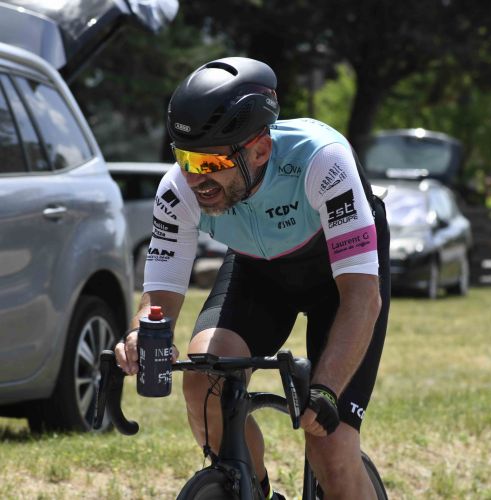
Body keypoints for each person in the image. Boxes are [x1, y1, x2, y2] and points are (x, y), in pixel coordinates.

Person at [115, 56, 390, 499]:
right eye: (185, 159)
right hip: (257, 273)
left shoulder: (323, 161)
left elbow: (362, 298)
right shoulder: (178, 190)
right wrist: (139, 335)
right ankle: (252, 490)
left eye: (210, 163)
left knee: (330, 447)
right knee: (203, 380)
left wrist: (326, 390)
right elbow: (158, 301)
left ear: (260, 150)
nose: (195, 179)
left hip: (338, 285)